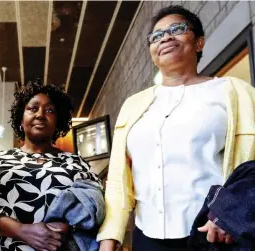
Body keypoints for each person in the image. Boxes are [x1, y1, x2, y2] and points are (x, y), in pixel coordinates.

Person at [97, 5, 255, 251]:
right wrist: (110, 238)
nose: (166, 37)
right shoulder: (133, 105)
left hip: (214, 235)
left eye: (177, 29)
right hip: (146, 236)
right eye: (156, 35)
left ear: (199, 42)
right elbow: (119, 180)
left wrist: (231, 213)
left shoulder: (234, 92)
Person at [0, 79, 102, 251]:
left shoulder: (76, 163)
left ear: (57, 121)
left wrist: (69, 226)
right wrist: (21, 230)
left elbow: (97, 205)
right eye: (32, 108)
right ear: (21, 120)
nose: (40, 114)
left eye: (50, 110)